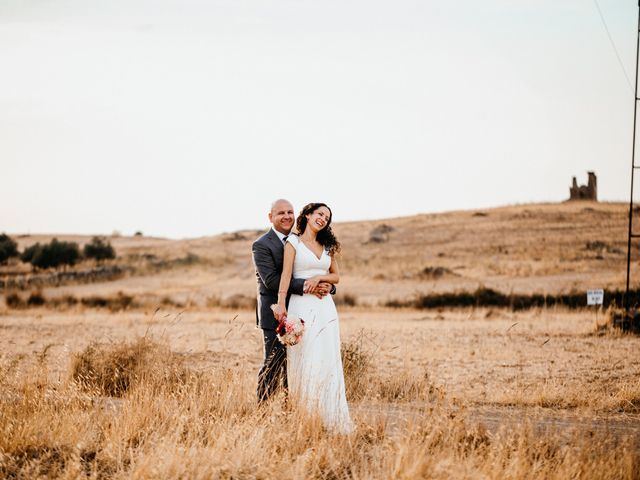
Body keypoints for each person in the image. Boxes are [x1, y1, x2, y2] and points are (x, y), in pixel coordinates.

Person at [273, 202, 353, 433]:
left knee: (327, 356)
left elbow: (336, 276)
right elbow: (286, 276)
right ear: (307, 215)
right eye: (319, 214)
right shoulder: (293, 242)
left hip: (325, 307)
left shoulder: (328, 246)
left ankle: (332, 416)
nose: (323, 219)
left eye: (327, 217)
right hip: (302, 307)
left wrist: (321, 278)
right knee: (307, 357)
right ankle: (307, 418)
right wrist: (280, 304)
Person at [252, 199, 333, 403]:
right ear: (270, 217)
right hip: (275, 313)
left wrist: (327, 286)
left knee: (299, 365)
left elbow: (319, 270)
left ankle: (292, 409)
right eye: (281, 213)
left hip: (304, 310)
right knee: (274, 362)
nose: (287, 216)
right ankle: (262, 409)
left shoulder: (303, 240)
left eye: (290, 211)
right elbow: (270, 281)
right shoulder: (261, 245)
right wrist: (308, 285)